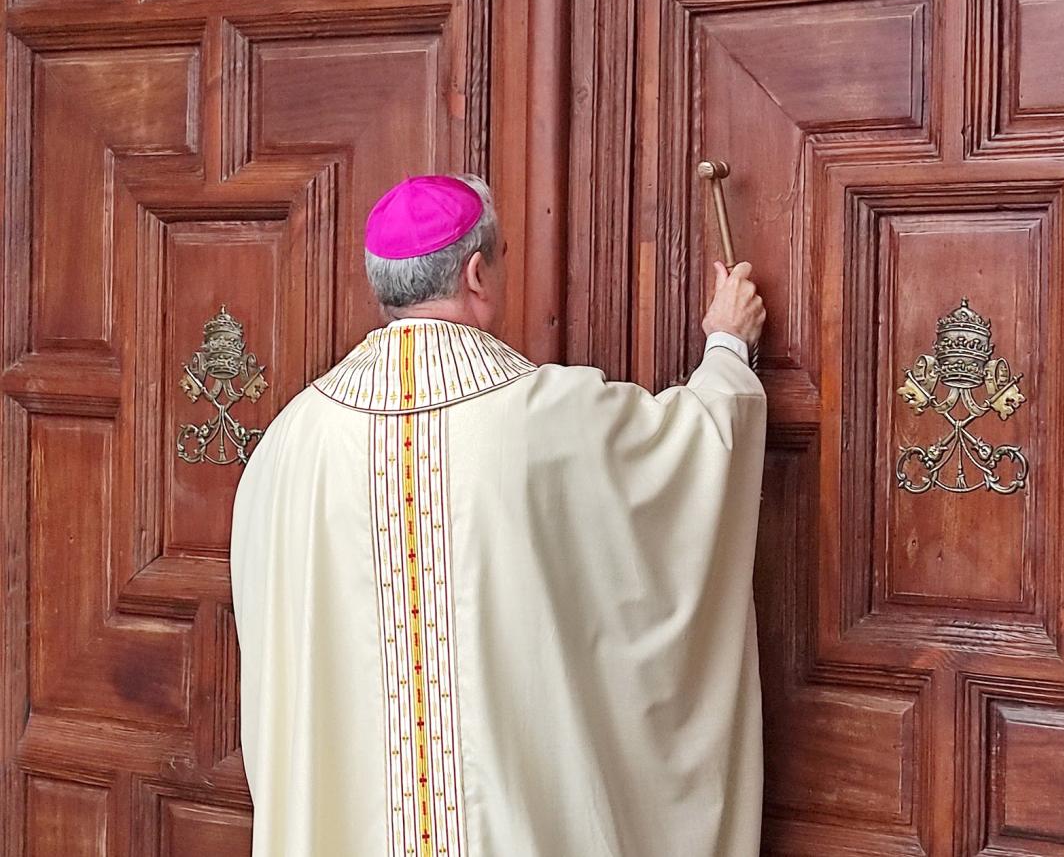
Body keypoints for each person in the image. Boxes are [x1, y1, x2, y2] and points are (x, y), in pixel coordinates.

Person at [230, 173, 768, 857]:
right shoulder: (542, 417)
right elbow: (693, 457)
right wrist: (727, 343)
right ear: (478, 273)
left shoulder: (292, 439)